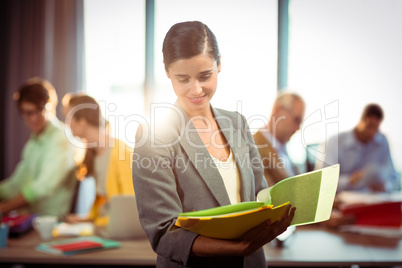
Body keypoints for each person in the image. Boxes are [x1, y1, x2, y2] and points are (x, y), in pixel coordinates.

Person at [132, 21, 295, 268]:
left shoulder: (236, 122)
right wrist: (235, 249)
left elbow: (260, 197)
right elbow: (163, 232)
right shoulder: (154, 134)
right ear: (167, 72)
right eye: (182, 78)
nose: (195, 89)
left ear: (219, 64)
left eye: (205, 76)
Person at [0, 77, 76, 217]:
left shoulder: (62, 139)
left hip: (50, 223)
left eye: (39, 110)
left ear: (51, 106)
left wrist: (3, 208)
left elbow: (42, 188)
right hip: (29, 219)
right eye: (28, 113)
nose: (34, 118)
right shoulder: (33, 143)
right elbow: (17, 183)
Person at [62, 93, 134, 226]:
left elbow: (129, 210)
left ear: (82, 121)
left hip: (118, 230)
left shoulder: (121, 153)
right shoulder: (93, 153)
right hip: (104, 226)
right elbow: (103, 203)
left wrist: (95, 222)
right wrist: (86, 219)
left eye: (68, 118)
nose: (66, 124)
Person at [316, 103, 397, 193]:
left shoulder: (382, 141)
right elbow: (323, 181)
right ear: (361, 121)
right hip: (342, 199)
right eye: (370, 126)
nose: (372, 133)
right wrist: (349, 180)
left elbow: (392, 175)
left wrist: (386, 186)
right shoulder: (335, 141)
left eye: (376, 128)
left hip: (373, 198)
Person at [253, 93, 305, 186]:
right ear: (277, 110)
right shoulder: (254, 147)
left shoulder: (282, 148)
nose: (298, 128)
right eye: (296, 120)